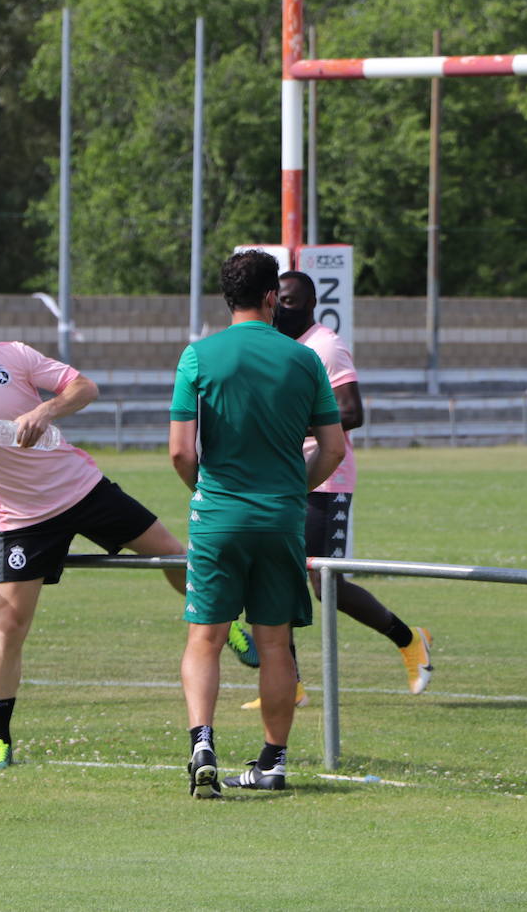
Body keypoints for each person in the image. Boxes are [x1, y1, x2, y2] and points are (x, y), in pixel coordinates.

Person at [0, 281, 186, 771]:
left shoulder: (11, 355)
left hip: (83, 489)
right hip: (23, 519)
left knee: (173, 554)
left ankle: (225, 623)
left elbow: (85, 386)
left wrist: (46, 408)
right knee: (10, 625)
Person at [169, 250, 346, 798]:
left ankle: (202, 743)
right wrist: (294, 489)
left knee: (206, 637)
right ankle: (271, 762)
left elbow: (180, 452)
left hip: (218, 515)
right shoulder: (304, 359)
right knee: (274, 643)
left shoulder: (198, 356)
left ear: (228, 298)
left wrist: (207, 492)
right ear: (272, 297)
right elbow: (334, 448)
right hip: (281, 516)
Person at [231, 270, 432, 709]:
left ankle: (409, 639)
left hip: (325, 478)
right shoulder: (276, 346)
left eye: (289, 300)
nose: (280, 307)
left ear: (310, 304)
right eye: (277, 299)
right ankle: (290, 685)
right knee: (273, 577)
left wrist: (286, 426)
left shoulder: (326, 346)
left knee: (326, 585)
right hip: (281, 477)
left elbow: (352, 412)